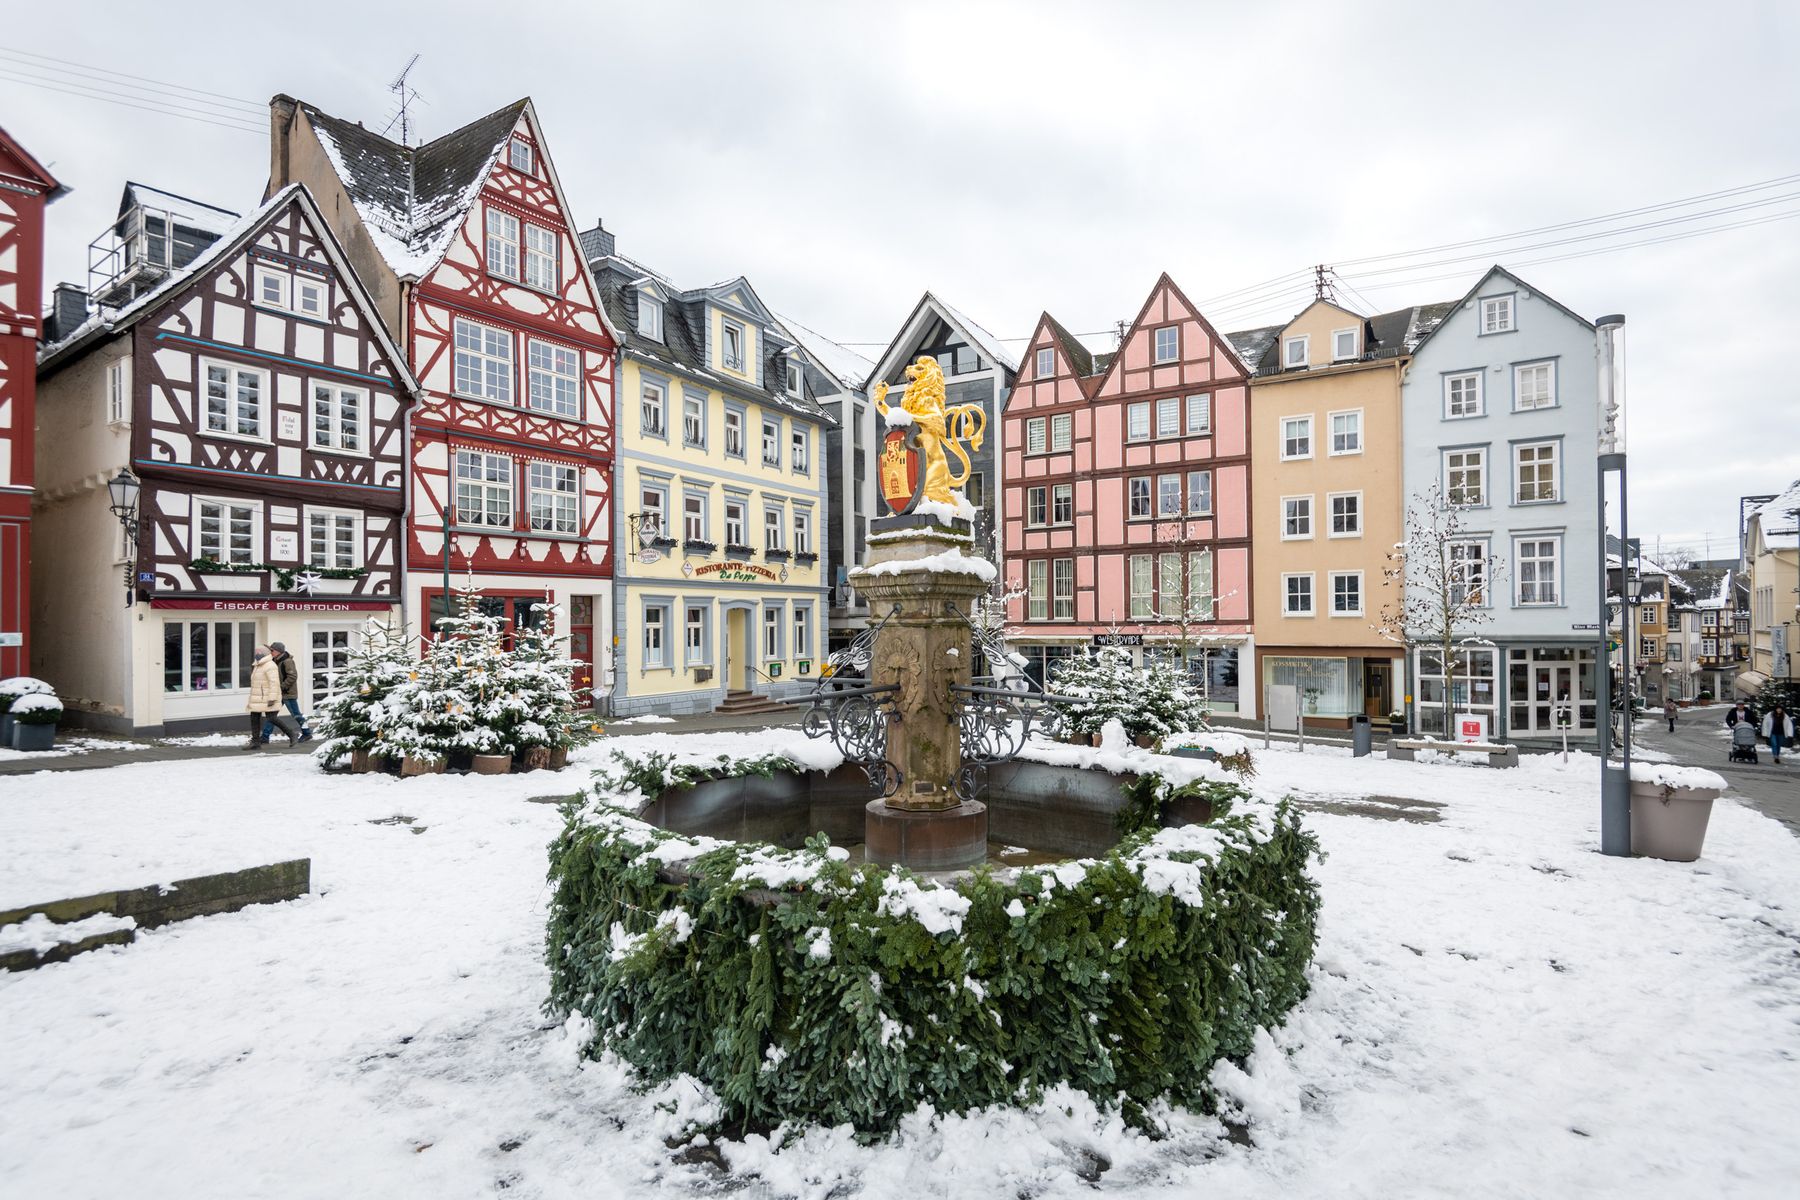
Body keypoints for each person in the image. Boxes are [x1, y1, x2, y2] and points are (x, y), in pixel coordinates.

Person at [246, 645, 299, 750]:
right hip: (258, 698)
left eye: (258, 653)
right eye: (256, 653)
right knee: (254, 717)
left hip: (268, 697)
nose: (256, 654)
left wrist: (272, 698)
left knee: (272, 718)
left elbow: (274, 683)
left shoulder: (270, 665)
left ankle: (292, 735)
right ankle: (255, 742)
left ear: (264, 654)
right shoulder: (258, 665)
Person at [260, 641, 313, 744]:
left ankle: (307, 733)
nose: (271, 652)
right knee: (271, 715)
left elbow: (292, 676)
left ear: (278, 651)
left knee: (296, 715)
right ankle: (265, 737)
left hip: (288, 693)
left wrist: (282, 687)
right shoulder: (276, 660)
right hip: (279, 693)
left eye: (272, 650)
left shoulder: (287, 661)